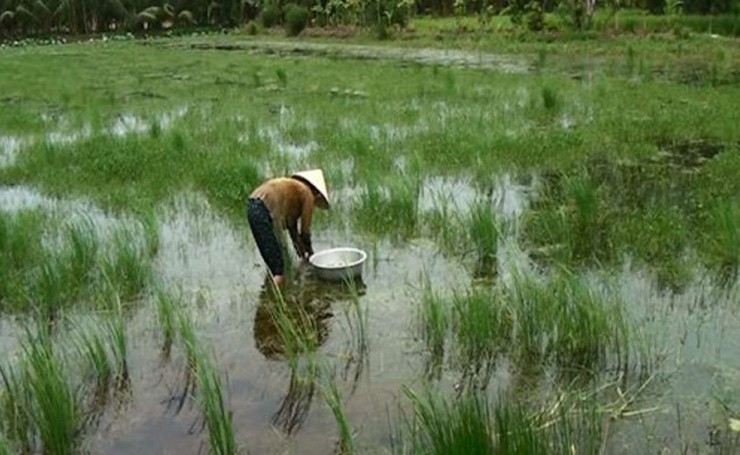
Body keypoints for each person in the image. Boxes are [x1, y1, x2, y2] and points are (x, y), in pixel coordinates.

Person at [247, 169, 330, 289]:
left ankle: (271, 296)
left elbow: (293, 229)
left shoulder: (293, 189)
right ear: (316, 192)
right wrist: (312, 257)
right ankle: (277, 303)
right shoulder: (308, 194)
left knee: (273, 260)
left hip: (252, 207)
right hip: (263, 209)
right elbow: (305, 233)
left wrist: (301, 254)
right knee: (279, 271)